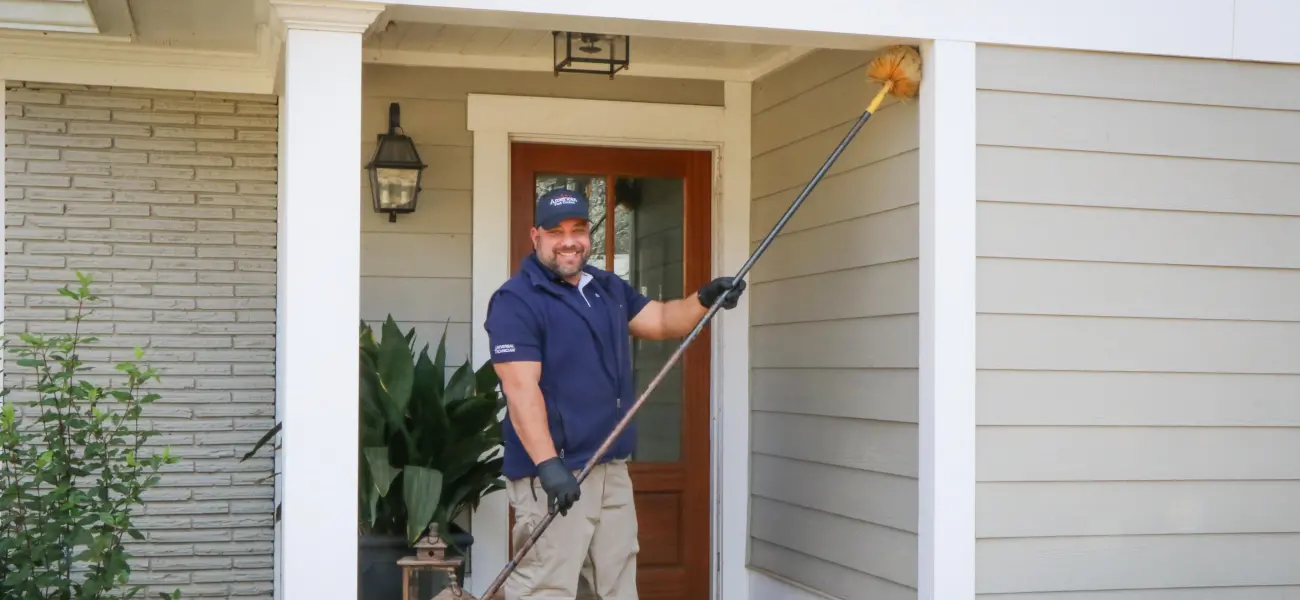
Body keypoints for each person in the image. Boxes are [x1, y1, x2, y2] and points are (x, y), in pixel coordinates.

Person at [484, 186, 745, 600]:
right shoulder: (515, 301)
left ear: (589, 234)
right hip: (555, 473)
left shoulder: (605, 287)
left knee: (617, 587)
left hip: (610, 468)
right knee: (545, 587)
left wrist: (705, 299)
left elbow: (659, 321)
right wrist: (549, 466)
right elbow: (521, 390)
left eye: (578, 229)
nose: (569, 240)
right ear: (536, 237)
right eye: (556, 231)